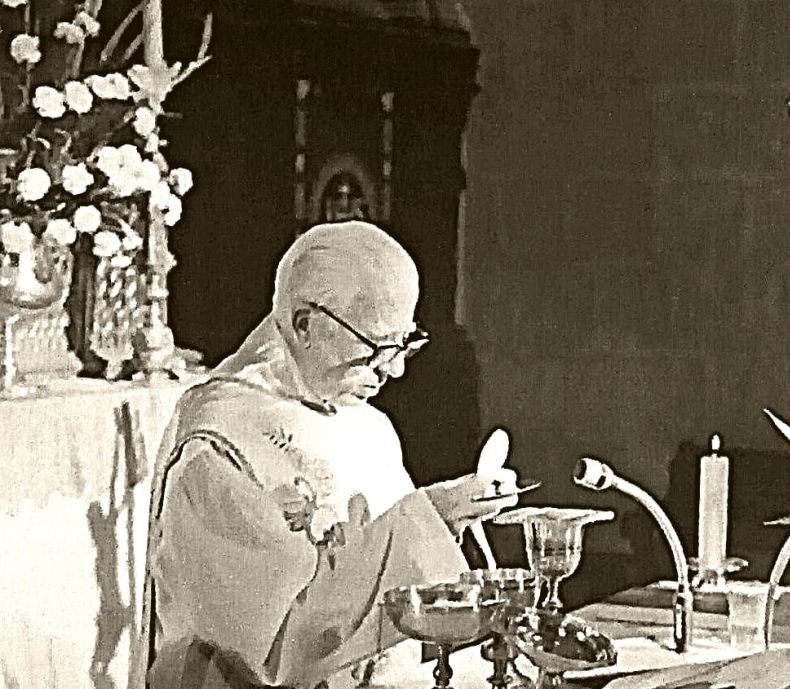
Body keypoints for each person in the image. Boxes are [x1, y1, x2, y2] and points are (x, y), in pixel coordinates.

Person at [139, 221, 517, 689]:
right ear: (304, 325)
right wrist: (428, 519)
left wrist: (447, 519)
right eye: (376, 346)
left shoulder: (368, 424)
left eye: (405, 343)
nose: (394, 369)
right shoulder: (219, 445)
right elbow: (274, 648)